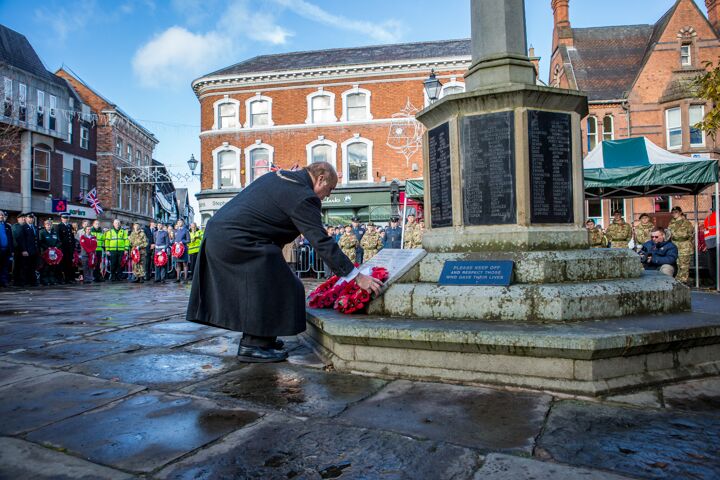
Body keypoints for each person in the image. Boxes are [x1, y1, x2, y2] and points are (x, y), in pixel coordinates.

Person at [187, 161, 382, 363]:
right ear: (320, 178)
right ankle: (253, 346)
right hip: (237, 241)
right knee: (275, 285)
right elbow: (321, 241)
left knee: (282, 285)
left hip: (226, 236)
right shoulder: (303, 196)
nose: (329, 195)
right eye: (330, 188)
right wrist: (355, 276)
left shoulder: (281, 178)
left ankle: (265, 338)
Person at [667, 206, 694, 284]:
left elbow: (690, 235)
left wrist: (678, 236)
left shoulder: (686, 223)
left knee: (684, 265)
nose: (674, 214)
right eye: (673, 212)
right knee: (677, 264)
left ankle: (683, 280)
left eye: (676, 212)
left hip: (684, 246)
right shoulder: (671, 222)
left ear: (680, 212)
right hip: (674, 245)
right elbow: (668, 234)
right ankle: (678, 279)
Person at [17, 213, 40, 287]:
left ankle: (32, 281)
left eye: (32, 218)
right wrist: (24, 250)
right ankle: (23, 282)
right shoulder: (23, 227)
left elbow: (37, 240)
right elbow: (22, 240)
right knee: (25, 267)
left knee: (33, 267)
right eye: (29, 218)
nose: (31, 219)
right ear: (26, 219)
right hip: (27, 250)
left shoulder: (35, 227)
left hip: (34, 250)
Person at [39, 218, 61, 286]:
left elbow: (59, 241)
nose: (49, 226)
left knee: (53, 266)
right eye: (47, 225)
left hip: (54, 252)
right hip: (45, 252)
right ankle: (44, 279)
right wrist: (47, 247)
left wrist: (56, 247)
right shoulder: (42, 232)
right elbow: (40, 242)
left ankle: (51, 279)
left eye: (50, 225)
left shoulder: (54, 232)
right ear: (45, 225)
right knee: (46, 266)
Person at [56, 213, 75, 284]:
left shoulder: (70, 226)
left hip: (69, 248)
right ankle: (60, 279)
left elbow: (72, 237)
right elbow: (58, 238)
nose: (66, 219)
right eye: (64, 218)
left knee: (69, 264)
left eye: (67, 218)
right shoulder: (59, 226)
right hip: (63, 248)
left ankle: (68, 278)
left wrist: (73, 247)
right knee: (62, 264)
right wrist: (60, 248)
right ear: (61, 218)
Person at [11, 213, 26, 286]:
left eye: (24, 218)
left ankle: (20, 281)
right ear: (18, 219)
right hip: (18, 250)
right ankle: (16, 281)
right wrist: (22, 250)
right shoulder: (16, 227)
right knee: (17, 266)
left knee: (22, 266)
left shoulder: (23, 227)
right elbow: (16, 239)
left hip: (22, 250)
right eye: (22, 218)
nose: (23, 219)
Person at [704, 207, 717, 287]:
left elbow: (706, 231)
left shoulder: (708, 218)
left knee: (712, 264)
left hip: (710, 244)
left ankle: (716, 281)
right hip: (715, 243)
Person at [0, 211, 13, 287]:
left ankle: (3, 282)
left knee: (4, 267)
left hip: (6, 250)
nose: (1, 216)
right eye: (0, 215)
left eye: (2, 215)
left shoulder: (7, 226)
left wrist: (11, 250)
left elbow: (11, 239)